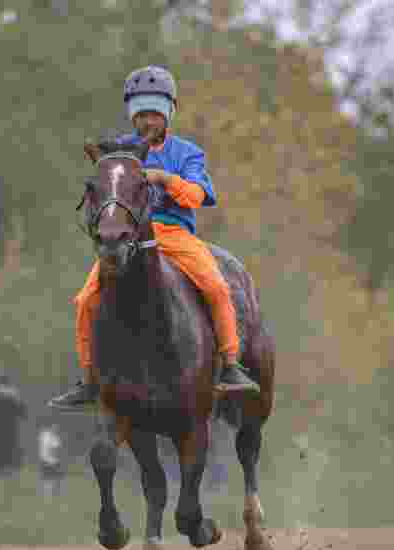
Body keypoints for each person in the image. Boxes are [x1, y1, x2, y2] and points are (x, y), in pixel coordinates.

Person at [49, 65, 260, 411]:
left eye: (155, 114)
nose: (148, 121)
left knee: (217, 287)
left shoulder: (187, 153)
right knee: (85, 300)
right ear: (133, 116)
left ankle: (230, 363)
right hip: (129, 238)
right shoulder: (122, 151)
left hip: (176, 235)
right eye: (141, 114)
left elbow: (196, 196)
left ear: (168, 114)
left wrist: (164, 178)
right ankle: (89, 379)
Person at [37, 422, 64, 497]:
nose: (56, 429)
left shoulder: (44, 435)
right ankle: (51, 493)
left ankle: (48, 493)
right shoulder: (54, 438)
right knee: (52, 478)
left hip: (44, 460)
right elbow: (56, 449)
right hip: (51, 461)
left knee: (47, 478)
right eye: (55, 428)